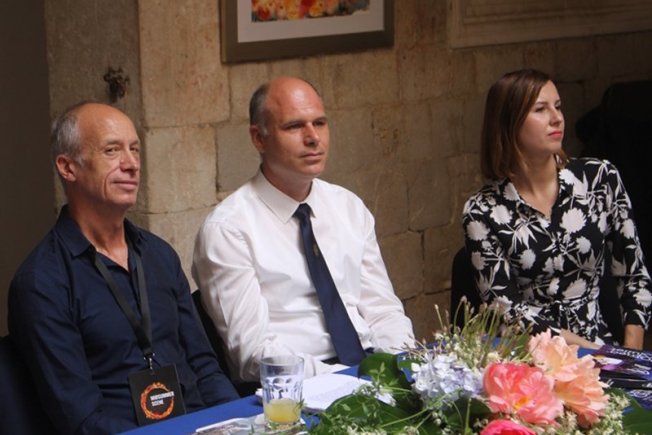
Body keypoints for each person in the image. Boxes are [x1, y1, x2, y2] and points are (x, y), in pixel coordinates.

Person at [8, 102, 238, 434]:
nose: (131, 164)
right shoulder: (42, 282)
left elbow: (205, 367)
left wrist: (238, 424)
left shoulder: (159, 255)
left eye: (134, 149)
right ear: (68, 167)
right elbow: (81, 419)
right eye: (112, 150)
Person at [192, 76, 414, 385]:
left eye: (320, 123)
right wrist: (348, 381)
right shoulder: (229, 229)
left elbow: (383, 311)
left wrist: (397, 366)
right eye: (294, 126)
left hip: (371, 366)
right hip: (295, 385)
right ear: (259, 138)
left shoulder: (348, 206)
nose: (313, 138)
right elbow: (254, 353)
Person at [462, 69, 652, 350]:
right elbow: (506, 313)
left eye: (558, 106)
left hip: (604, 350)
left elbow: (634, 276)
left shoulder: (599, 179)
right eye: (541, 109)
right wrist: (588, 351)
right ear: (509, 123)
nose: (557, 118)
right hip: (532, 358)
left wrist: (629, 356)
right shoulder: (482, 211)